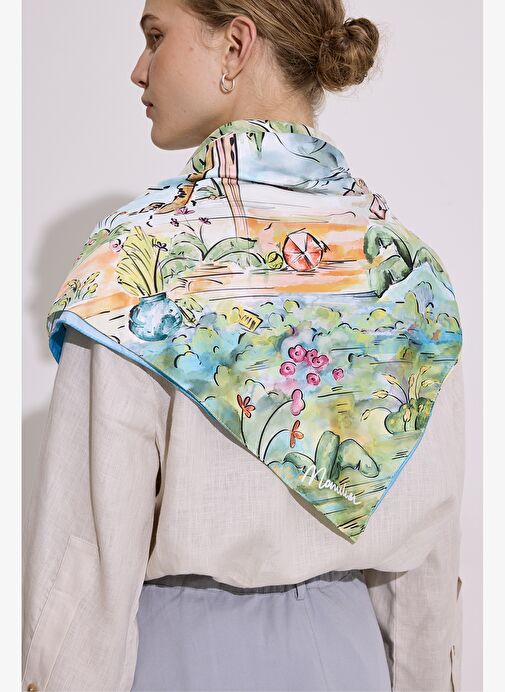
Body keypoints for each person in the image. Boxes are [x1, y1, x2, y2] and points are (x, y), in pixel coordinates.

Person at [22, 1, 465, 690]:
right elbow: (424, 576)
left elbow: (88, 562)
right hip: (351, 662)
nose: (139, 69)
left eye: (155, 36)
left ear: (235, 45)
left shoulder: (138, 267)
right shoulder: (407, 273)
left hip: (181, 658)